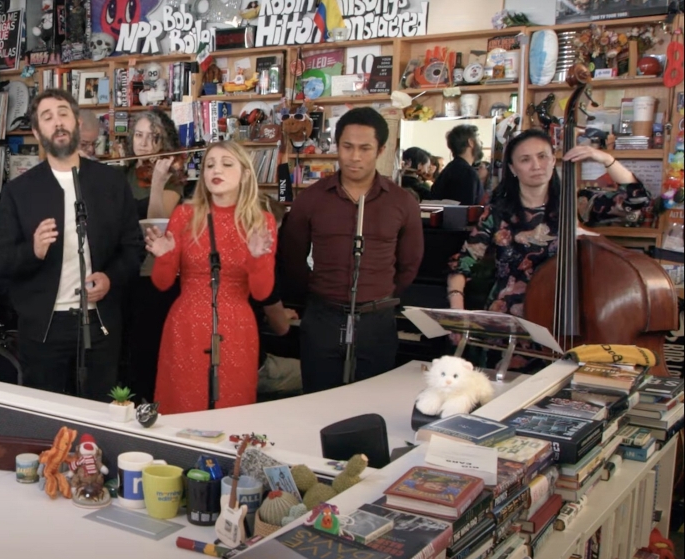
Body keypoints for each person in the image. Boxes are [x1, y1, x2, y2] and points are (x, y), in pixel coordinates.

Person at [0, 88, 144, 400]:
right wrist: (32, 251)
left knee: (103, 413)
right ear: (36, 132)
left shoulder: (110, 183)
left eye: (63, 114)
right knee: (47, 417)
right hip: (44, 329)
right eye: (47, 118)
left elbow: (133, 248)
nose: (57, 122)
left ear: (75, 122)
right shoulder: (19, 191)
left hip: (100, 323)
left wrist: (110, 278)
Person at [278, 107, 424, 393]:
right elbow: (292, 258)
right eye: (347, 147)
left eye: (365, 148)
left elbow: (409, 264)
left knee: (370, 404)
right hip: (323, 318)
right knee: (317, 401)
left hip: (377, 321)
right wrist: (319, 292)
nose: (355, 157)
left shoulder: (402, 202)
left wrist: (378, 295)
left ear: (381, 149)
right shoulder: (311, 199)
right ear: (337, 146)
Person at [447, 129, 649, 316]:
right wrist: (457, 312)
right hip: (507, 318)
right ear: (513, 168)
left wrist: (604, 158)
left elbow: (636, 200)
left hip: (561, 316)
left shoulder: (575, 205)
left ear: (553, 160)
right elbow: (463, 264)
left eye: (542, 156)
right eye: (525, 160)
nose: (536, 166)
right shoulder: (498, 211)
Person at [144, 142, 276, 414]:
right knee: (183, 407)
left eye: (227, 164)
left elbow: (263, 294)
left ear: (246, 174)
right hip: (186, 326)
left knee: (231, 408)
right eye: (210, 164)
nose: (217, 170)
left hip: (236, 328)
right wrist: (165, 256)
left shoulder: (260, 221)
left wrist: (256, 258)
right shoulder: (184, 215)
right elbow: (162, 283)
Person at [125, 110, 186, 401]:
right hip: (122, 271)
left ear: (165, 142)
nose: (145, 143)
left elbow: (156, 225)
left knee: (146, 351)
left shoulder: (172, 177)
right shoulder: (120, 173)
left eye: (153, 136)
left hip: (153, 274)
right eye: (139, 135)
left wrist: (159, 183)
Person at [430, 124, 483, 205]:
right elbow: (465, 211)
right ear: (471, 142)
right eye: (478, 140)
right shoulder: (467, 173)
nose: (481, 143)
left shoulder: (449, 169)